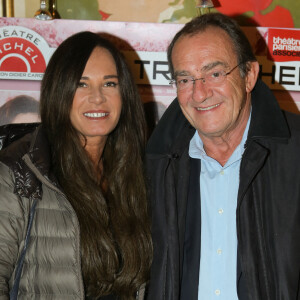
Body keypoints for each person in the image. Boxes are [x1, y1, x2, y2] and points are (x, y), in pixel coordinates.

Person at [146, 13, 300, 300]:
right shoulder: (157, 164)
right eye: (185, 79)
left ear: (249, 75)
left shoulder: (295, 154)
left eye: (215, 74)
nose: (199, 93)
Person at [0, 31, 152, 300]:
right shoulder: (20, 172)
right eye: (82, 84)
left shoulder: (137, 172)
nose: (97, 97)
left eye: (109, 84)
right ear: (59, 91)